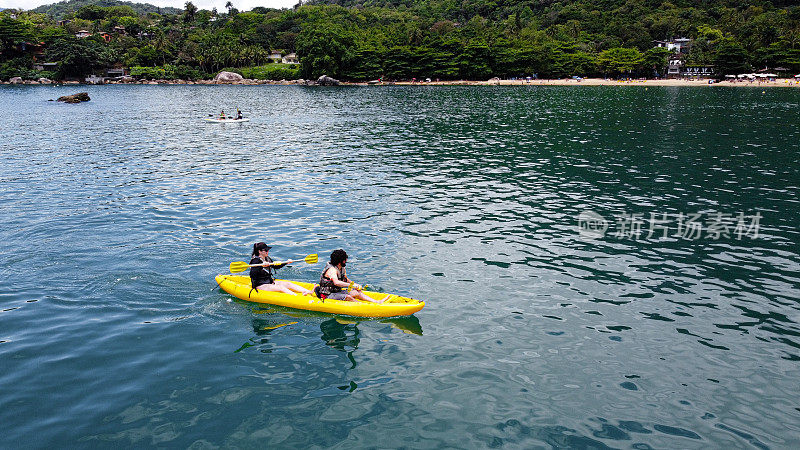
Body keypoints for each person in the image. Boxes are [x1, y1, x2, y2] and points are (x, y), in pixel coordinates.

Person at [315, 249, 389, 303]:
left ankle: (377, 302)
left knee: (357, 292)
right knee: (348, 297)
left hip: (337, 292)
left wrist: (355, 285)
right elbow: (336, 283)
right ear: (340, 261)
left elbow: (345, 279)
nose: (346, 260)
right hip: (327, 295)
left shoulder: (342, 268)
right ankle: (363, 307)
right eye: (345, 259)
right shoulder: (332, 270)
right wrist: (351, 285)